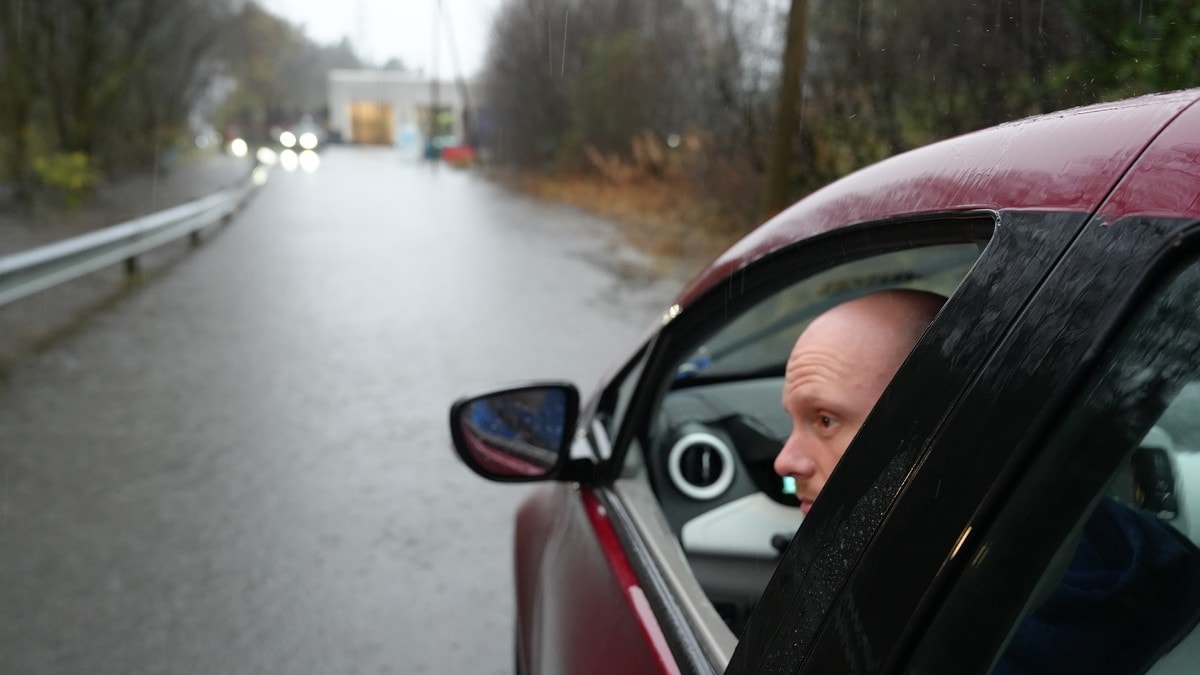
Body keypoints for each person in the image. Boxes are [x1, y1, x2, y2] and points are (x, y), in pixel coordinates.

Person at [772, 288, 1200, 674]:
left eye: (825, 420)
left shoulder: (934, 637)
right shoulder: (1128, 544)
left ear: (948, 431)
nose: (784, 462)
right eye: (794, 423)